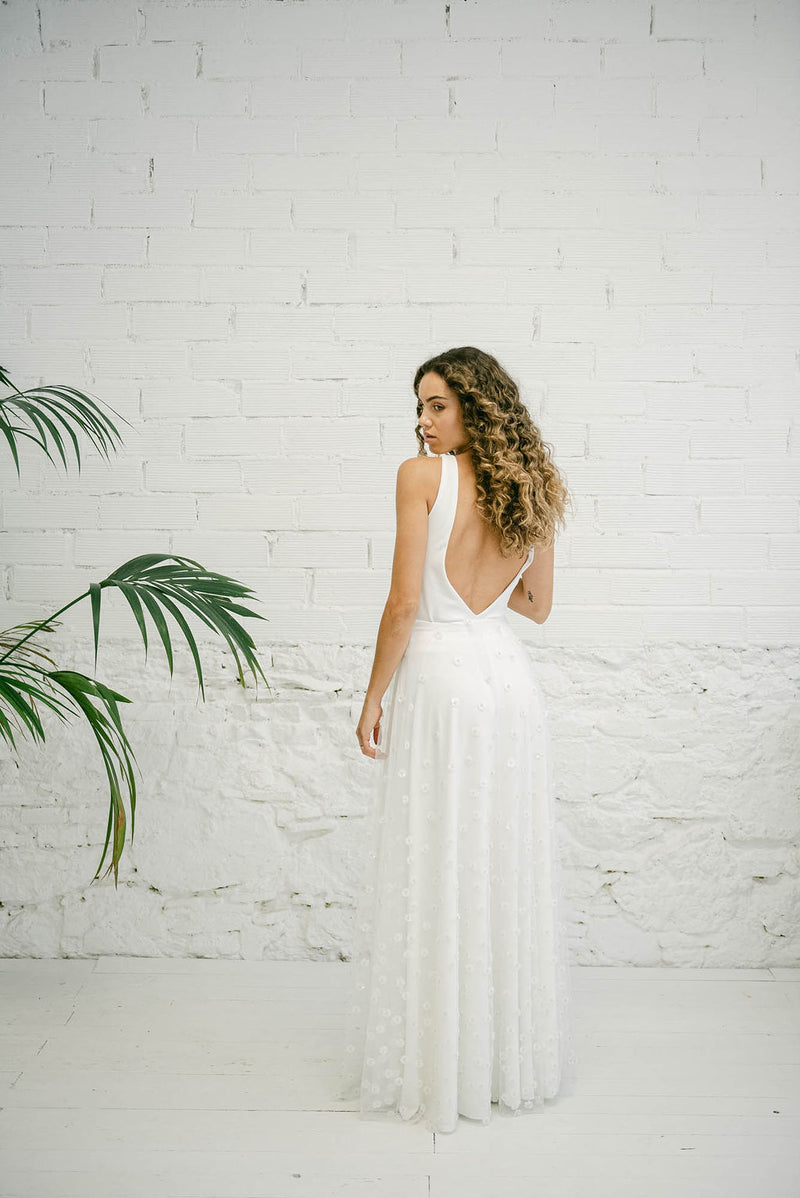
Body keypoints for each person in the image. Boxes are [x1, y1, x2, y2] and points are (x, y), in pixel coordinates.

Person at [338, 346, 578, 1134]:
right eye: (419, 407)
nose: (422, 421)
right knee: (496, 865)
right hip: (507, 686)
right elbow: (536, 606)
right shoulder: (535, 485)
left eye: (437, 404)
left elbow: (405, 602)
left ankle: (445, 1062)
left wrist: (373, 695)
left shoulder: (421, 478)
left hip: (441, 682)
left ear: (476, 405)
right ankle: (503, 1063)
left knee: (439, 861)